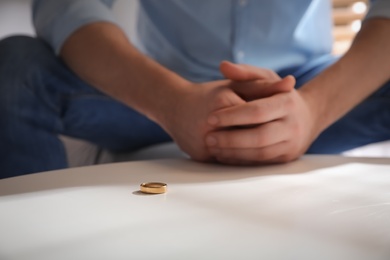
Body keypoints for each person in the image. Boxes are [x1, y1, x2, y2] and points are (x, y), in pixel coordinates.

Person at [0, 0, 389, 178]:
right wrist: (171, 102)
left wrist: (314, 109)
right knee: (17, 66)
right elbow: (67, 5)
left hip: (306, 89)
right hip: (160, 92)